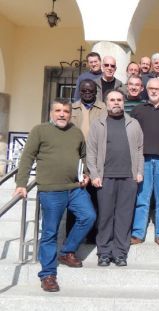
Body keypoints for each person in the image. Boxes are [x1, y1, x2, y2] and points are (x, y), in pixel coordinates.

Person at [14, 99, 96, 292]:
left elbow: (83, 156)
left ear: (70, 114)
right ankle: (48, 274)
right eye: (58, 111)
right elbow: (27, 157)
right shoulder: (39, 130)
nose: (62, 114)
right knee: (50, 232)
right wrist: (21, 183)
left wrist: (86, 174)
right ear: (51, 112)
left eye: (65, 111)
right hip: (51, 190)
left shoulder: (75, 132)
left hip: (74, 188)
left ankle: (67, 251)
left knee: (89, 216)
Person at [87, 89, 144, 267]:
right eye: (112, 100)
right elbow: (91, 153)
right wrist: (94, 174)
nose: (116, 102)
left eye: (119, 99)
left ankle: (120, 253)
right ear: (106, 103)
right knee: (105, 216)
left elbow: (140, 150)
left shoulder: (133, 124)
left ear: (123, 102)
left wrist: (139, 171)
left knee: (124, 217)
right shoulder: (98, 125)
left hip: (128, 178)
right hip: (105, 178)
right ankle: (104, 252)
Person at [130, 78, 159, 246]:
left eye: (158, 88)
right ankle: (137, 233)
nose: (154, 91)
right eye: (151, 88)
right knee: (142, 198)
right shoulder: (137, 110)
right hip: (143, 160)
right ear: (146, 90)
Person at [69, 79, 107, 242]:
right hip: (76, 158)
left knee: (94, 197)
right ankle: (70, 236)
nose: (87, 93)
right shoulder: (72, 108)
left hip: (97, 159)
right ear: (80, 91)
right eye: (84, 91)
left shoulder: (103, 108)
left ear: (95, 92)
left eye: (90, 91)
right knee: (74, 198)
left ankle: (92, 236)